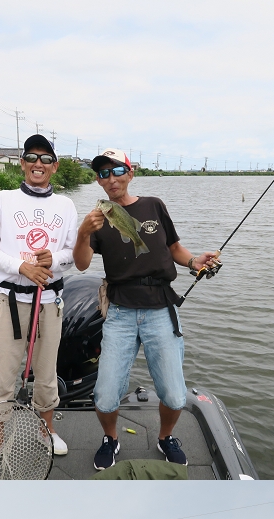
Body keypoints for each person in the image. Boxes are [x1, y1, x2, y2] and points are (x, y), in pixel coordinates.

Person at [72, 149, 220, 472]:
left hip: (160, 308)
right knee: (105, 395)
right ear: (98, 182)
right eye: (103, 174)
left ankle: (166, 437)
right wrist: (83, 232)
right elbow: (82, 264)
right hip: (120, 313)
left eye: (117, 170)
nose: (111, 178)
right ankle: (111, 439)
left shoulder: (154, 206)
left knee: (174, 393)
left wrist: (195, 261)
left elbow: (175, 249)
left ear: (131, 172)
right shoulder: (97, 218)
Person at [0, 134, 79, 471]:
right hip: (8, 302)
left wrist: (54, 260)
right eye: (32, 157)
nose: (39, 164)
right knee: (2, 376)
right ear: (22, 162)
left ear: (55, 166)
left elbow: (73, 254)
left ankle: (45, 430)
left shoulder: (65, 205)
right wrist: (21, 267)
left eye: (46, 158)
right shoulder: (1, 199)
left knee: (47, 374)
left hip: (49, 303)